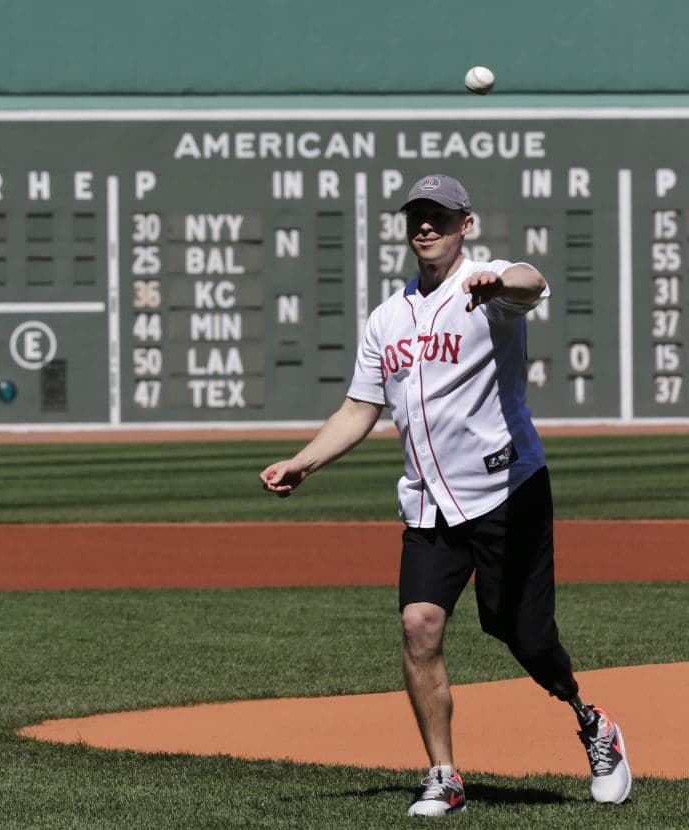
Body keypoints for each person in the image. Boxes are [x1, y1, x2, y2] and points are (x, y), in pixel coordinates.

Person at [260, 174, 631, 816]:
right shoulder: (387, 319)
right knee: (418, 626)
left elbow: (532, 281)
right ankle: (445, 775)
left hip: (507, 491)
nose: (425, 226)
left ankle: (592, 722)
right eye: (417, 217)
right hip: (429, 502)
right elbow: (360, 408)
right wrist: (304, 461)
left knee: (524, 635)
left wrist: (498, 282)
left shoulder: (488, 288)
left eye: (439, 216)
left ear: (466, 224)